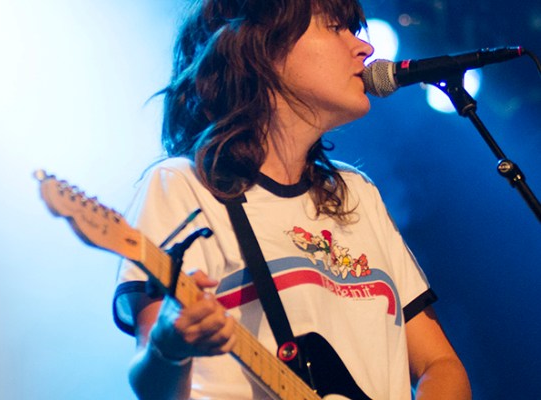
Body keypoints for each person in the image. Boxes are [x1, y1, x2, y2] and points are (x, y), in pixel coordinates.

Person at [111, 0, 472, 398]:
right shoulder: (184, 185)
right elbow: (154, 388)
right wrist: (168, 346)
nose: (364, 49)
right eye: (336, 28)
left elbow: (440, 365)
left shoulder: (356, 195)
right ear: (263, 49)